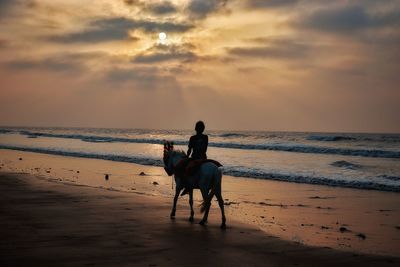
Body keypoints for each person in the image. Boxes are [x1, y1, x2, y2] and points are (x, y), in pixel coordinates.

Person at [180, 121, 208, 196]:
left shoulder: (192, 138)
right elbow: (205, 149)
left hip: (195, 158)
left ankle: (187, 187)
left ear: (195, 128)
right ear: (203, 129)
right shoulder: (205, 137)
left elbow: (189, 150)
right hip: (204, 158)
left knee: (185, 169)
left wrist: (187, 156)